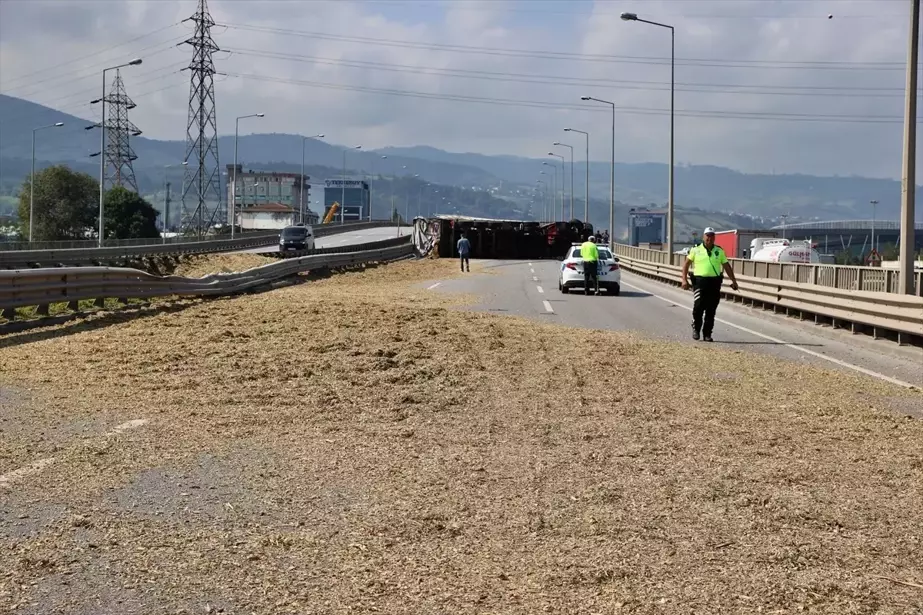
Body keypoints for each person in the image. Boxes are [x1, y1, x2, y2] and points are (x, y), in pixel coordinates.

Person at [681, 227, 739, 342]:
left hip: (714, 283)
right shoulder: (695, 249)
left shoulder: (719, 251)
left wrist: (733, 281)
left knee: (711, 310)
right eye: (707, 235)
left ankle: (707, 333)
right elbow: (686, 265)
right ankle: (696, 329)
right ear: (703, 237)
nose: (709, 238)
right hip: (700, 282)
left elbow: (727, 266)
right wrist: (684, 280)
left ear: (714, 237)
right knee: (698, 307)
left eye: (712, 236)